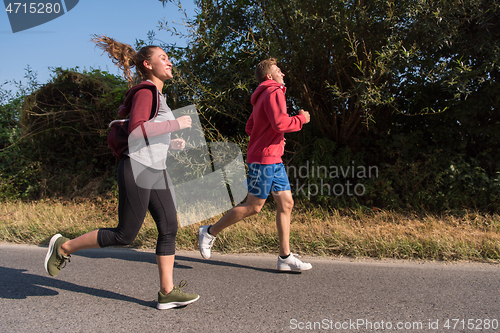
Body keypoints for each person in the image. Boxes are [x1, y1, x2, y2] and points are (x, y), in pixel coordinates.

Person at [44, 36, 199, 310]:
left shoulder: (158, 95)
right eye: (163, 57)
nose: (169, 61)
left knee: (169, 227)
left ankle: (167, 292)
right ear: (147, 64)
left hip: (156, 168)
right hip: (138, 167)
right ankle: (64, 247)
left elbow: (148, 133)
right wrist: (175, 124)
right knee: (125, 235)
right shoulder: (145, 91)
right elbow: (137, 129)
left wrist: (169, 141)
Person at [198, 58, 312, 271]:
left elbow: (251, 127)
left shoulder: (261, 96)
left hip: (272, 158)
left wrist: (271, 137)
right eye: (279, 70)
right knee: (254, 206)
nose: (283, 74)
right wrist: (301, 119)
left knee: (286, 204)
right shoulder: (275, 91)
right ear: (269, 76)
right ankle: (210, 231)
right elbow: (280, 123)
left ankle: (285, 257)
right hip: (264, 160)